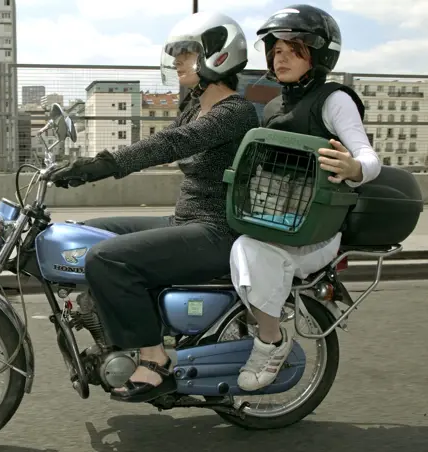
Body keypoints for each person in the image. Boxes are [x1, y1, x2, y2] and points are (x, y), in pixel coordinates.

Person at [49, 12, 260, 404]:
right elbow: (166, 137)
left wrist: (103, 165)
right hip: (186, 220)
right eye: (176, 54)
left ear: (218, 56)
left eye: (188, 53)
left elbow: (171, 145)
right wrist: (81, 163)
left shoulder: (236, 112)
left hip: (217, 230)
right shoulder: (195, 106)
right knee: (90, 232)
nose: (179, 61)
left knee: (107, 259)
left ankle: (154, 360)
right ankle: (107, 326)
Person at [228, 4, 382, 392]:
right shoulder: (276, 104)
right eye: (275, 49)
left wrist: (353, 168)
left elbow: (369, 157)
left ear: (317, 53)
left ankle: (272, 343)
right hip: (275, 217)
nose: (279, 57)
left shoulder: (333, 100)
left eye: (291, 49)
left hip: (314, 230)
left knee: (250, 249)